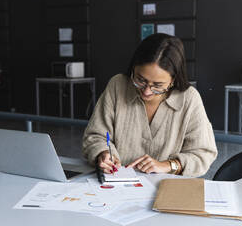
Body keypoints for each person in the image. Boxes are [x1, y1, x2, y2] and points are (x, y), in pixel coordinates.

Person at [82, 33, 217, 177]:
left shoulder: (189, 98)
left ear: (173, 80)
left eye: (157, 85)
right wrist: (103, 153)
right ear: (133, 68)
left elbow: (203, 154)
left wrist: (168, 165)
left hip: (167, 190)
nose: (146, 91)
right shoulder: (117, 86)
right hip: (117, 185)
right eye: (140, 80)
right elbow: (96, 136)